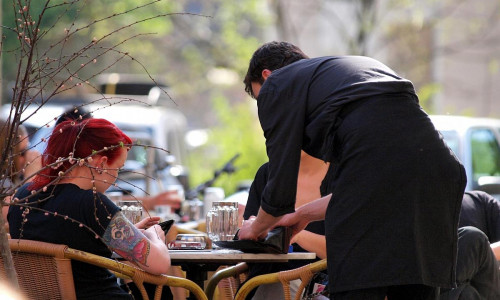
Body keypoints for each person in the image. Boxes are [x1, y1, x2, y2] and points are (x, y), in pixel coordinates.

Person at [238, 41, 467, 299]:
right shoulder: (345, 76)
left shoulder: (279, 84)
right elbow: (366, 185)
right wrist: (302, 215)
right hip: (440, 169)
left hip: (393, 172)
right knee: (413, 281)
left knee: (358, 283)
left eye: (260, 98)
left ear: (267, 77)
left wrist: (255, 229)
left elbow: (280, 184)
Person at [8, 118, 172, 300]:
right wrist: (154, 235)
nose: (116, 179)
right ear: (101, 163)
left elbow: (71, 239)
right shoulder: (92, 204)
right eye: (118, 168)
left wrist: (130, 234)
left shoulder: (22, 197)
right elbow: (160, 264)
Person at [243, 151, 329, 300]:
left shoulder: (343, 177)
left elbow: (351, 251)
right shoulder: (268, 173)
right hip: (264, 280)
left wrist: (297, 235)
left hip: (321, 287)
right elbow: (247, 242)